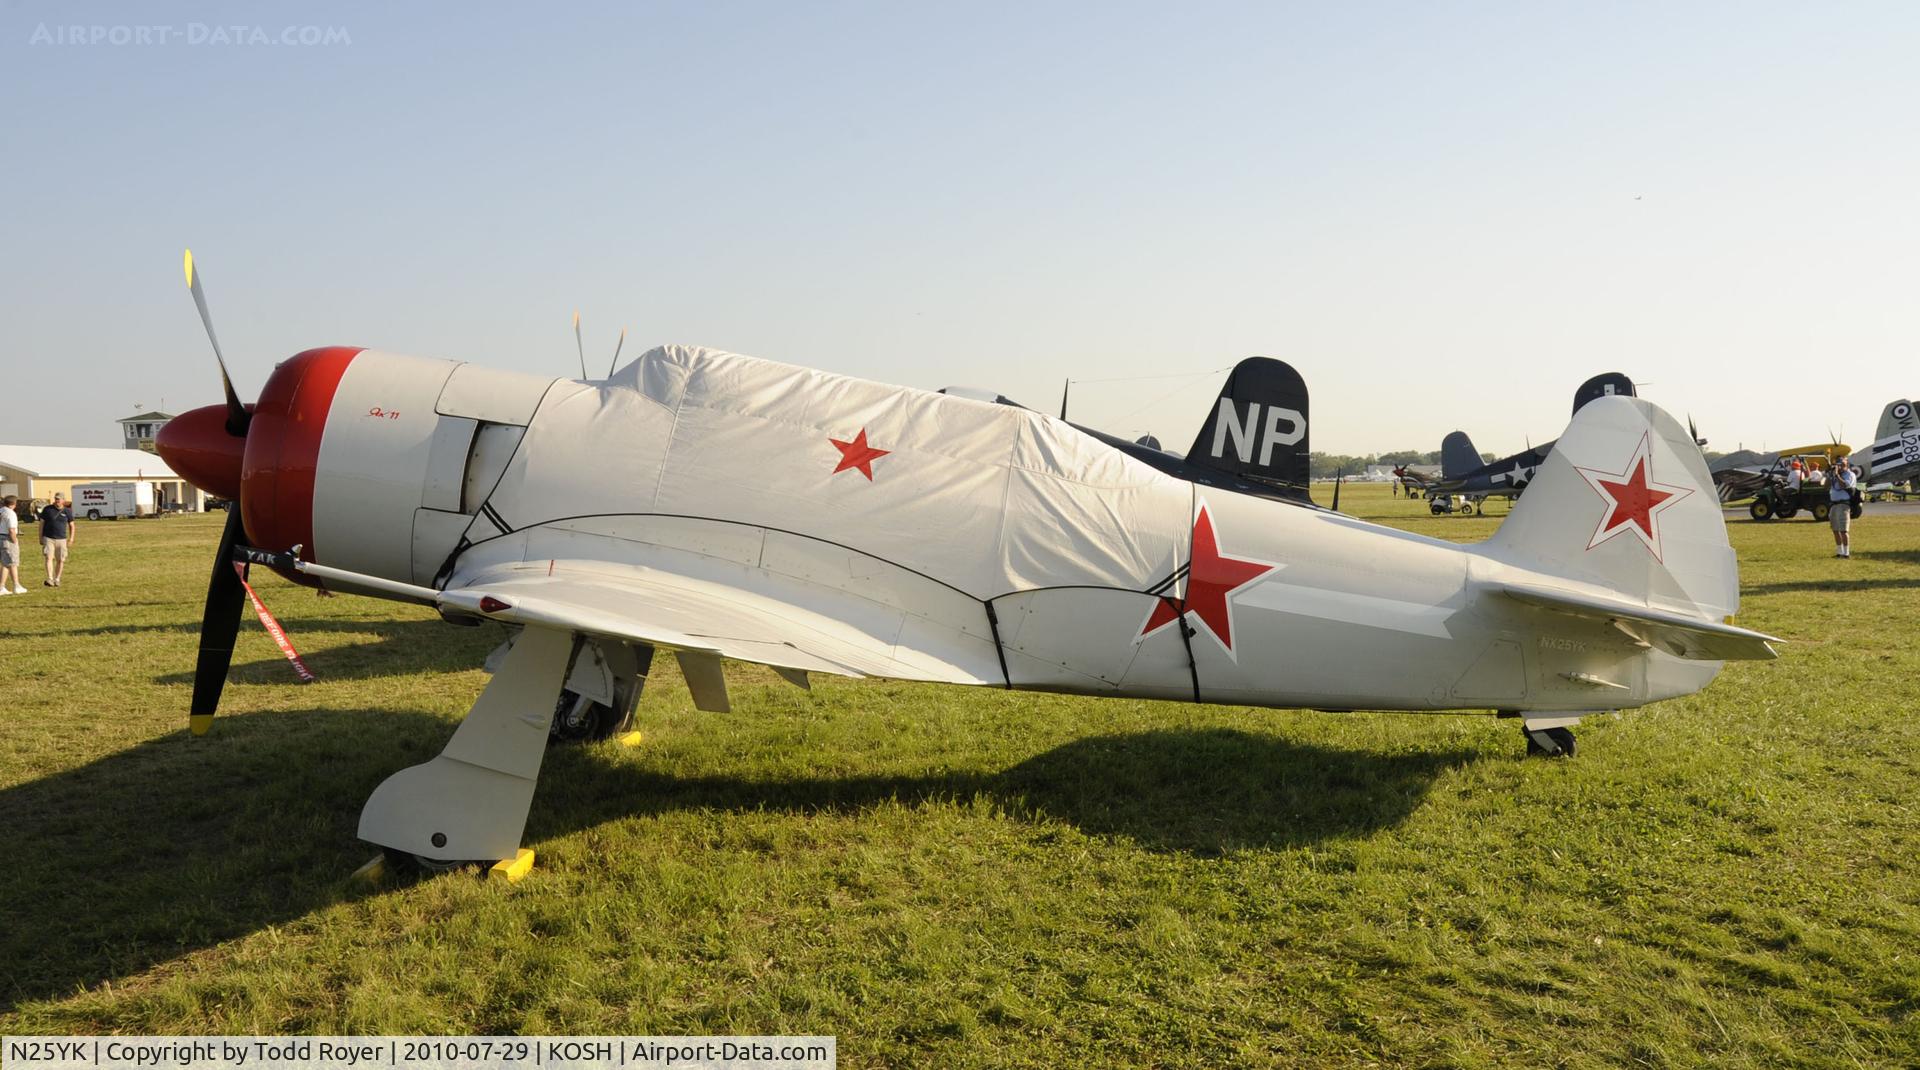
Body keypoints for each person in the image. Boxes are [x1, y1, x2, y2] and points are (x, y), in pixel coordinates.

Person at [39, 493, 74, 586]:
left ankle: (57, 579)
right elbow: (41, 524)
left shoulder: (67, 511)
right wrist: (40, 537)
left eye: (59, 499)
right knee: (49, 558)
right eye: (56, 499)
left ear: (63, 500)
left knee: (61, 560)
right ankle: (50, 578)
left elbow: (72, 525)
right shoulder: (47, 509)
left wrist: (71, 539)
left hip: (62, 539)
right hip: (48, 538)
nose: (57, 500)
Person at [1829, 457, 1858, 558]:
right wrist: (1831, 475)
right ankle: (1839, 552)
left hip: (1843, 505)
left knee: (1843, 530)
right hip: (1834, 504)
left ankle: (1846, 553)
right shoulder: (1835, 475)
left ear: (1847, 465)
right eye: (1838, 465)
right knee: (1835, 529)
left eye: (1842, 465)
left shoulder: (1850, 474)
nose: (1840, 467)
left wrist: (1837, 475)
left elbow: (1844, 486)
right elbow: (1827, 487)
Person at [0, 495, 23, 595]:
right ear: (14, 504)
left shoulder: (1, 511)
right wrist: (15, 541)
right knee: (12, 562)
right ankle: (15, 586)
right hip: (7, 538)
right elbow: (12, 530)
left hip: (0, 537)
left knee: (6, 563)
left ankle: (4, 586)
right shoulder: (11, 513)